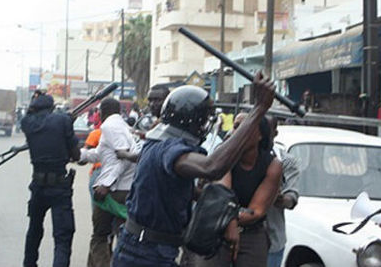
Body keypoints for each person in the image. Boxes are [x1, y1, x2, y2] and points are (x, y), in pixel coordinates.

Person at [112, 72, 276, 266]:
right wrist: (259, 109)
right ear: (194, 121)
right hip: (146, 252)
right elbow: (212, 167)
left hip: (147, 247)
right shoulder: (170, 149)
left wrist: (223, 208)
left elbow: (176, 191)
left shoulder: (158, 143)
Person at [195, 115, 283, 267]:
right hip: (216, 228)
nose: (237, 132)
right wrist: (229, 223)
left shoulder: (272, 165)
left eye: (245, 128)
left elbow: (256, 210)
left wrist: (232, 221)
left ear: (260, 135)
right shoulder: (223, 155)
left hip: (251, 231)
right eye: (236, 127)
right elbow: (223, 194)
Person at [21, 93, 80, 267]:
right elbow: (75, 155)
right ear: (52, 107)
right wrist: (67, 123)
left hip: (38, 186)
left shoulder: (27, 123)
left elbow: (38, 123)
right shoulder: (62, 121)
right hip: (59, 187)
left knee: (34, 230)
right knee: (63, 236)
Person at [80, 98, 136, 267]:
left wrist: (107, 184)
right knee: (122, 236)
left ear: (102, 112)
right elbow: (103, 154)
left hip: (114, 191)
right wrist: (80, 155)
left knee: (100, 236)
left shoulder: (109, 126)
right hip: (125, 190)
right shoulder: (122, 127)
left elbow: (124, 157)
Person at [265, 120, 300, 267]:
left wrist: (278, 198)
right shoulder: (240, 155)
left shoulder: (285, 161)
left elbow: (291, 197)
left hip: (271, 240)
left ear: (275, 133)